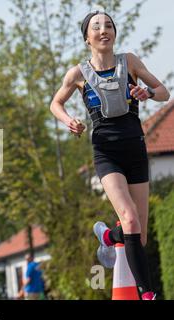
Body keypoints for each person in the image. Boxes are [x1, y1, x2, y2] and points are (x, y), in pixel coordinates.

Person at [50, 11, 170, 300]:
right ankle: (148, 294)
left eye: (109, 25)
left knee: (137, 236)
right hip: (106, 153)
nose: (104, 30)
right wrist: (69, 121)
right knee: (129, 219)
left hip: (136, 149)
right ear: (86, 37)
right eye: (97, 26)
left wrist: (146, 94)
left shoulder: (129, 61)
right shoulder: (77, 73)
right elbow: (55, 103)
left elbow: (163, 92)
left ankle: (108, 236)